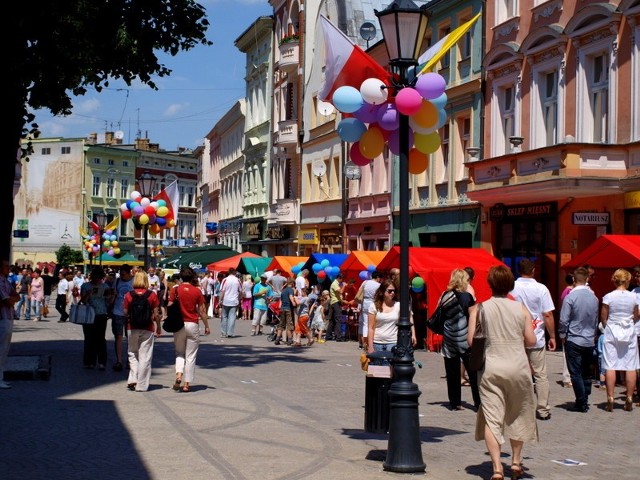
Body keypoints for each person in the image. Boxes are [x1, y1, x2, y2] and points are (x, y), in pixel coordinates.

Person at [467, 265, 537, 480]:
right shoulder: (521, 309)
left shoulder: (479, 309)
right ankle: (515, 462)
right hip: (518, 367)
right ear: (510, 285)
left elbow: (471, 341)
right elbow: (532, 340)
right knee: (519, 413)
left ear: (490, 284)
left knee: (492, 417)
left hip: (492, 367)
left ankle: (497, 467)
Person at [510, 258, 556, 421]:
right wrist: (552, 335)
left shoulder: (512, 288)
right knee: (540, 374)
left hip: (517, 335)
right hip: (537, 335)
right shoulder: (541, 288)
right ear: (533, 270)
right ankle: (542, 408)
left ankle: (520, 407)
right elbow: (548, 314)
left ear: (518, 270)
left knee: (517, 373)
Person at [438, 269, 480, 411]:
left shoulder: (445, 295)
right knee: (473, 372)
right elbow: (473, 317)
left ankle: (454, 402)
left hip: (449, 338)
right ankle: (478, 403)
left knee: (452, 372)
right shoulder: (466, 297)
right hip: (464, 338)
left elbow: (440, 313)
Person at [558, 267, 599, 412]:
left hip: (574, 338)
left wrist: (562, 335)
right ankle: (585, 398)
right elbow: (595, 318)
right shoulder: (594, 297)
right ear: (587, 279)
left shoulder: (571, 297)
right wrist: (594, 334)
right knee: (586, 371)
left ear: (574, 280)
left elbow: (564, 320)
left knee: (575, 372)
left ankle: (581, 402)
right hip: (589, 339)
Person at [600, 268, 640, 412]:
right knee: (630, 365)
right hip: (628, 331)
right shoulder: (633, 297)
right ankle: (629, 397)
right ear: (627, 280)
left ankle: (610, 397)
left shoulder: (608, 296)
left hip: (612, 330)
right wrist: (629, 321)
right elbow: (636, 315)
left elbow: (604, 316)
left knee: (610, 364)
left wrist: (607, 325)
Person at [168, 267, 210, 393]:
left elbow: (169, 305)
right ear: (192, 277)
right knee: (191, 355)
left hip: (179, 324)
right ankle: (187, 384)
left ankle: (179, 374)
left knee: (179, 352)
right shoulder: (197, 291)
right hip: (192, 323)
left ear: (181, 277)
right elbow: (202, 311)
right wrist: (207, 325)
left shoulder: (175, 290)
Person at [123, 271, 161, 392]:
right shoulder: (152, 295)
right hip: (147, 327)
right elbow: (156, 314)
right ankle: (142, 385)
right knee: (145, 356)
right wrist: (158, 326)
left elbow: (124, 312)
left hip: (132, 327)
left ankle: (133, 378)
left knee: (132, 353)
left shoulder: (129, 295)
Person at [367, 279, 416, 363]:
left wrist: (413, 334)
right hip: (377, 343)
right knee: (377, 373)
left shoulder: (398, 305)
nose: (392, 293)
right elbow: (370, 328)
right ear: (382, 291)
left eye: (394, 291)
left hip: (393, 343)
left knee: (392, 372)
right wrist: (370, 346)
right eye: (390, 291)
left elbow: (410, 316)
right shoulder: (374, 306)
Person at [79, 266, 112, 370]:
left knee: (100, 338)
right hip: (89, 314)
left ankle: (102, 362)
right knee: (89, 338)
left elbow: (108, 302)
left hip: (101, 314)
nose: (97, 280)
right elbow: (83, 301)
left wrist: (112, 296)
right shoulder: (85, 286)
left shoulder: (105, 286)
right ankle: (89, 361)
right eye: (95, 277)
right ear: (92, 277)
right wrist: (88, 295)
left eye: (99, 277)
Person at [110, 264, 134, 372]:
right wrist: (113, 295)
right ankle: (119, 361)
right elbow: (111, 296)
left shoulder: (134, 281)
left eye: (124, 274)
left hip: (130, 313)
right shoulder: (117, 281)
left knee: (130, 337)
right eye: (121, 274)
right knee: (118, 337)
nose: (122, 276)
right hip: (117, 311)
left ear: (129, 273)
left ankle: (130, 360)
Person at [0, 260, 19, 389]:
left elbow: (15, 296)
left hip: (8, 316)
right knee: (1, 349)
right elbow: (7, 301)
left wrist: (11, 299)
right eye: (6, 266)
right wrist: (11, 300)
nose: (8, 268)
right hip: (2, 318)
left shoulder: (5, 280)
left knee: (4, 350)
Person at [357, 271, 382, 350]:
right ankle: (370, 341)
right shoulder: (379, 285)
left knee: (365, 323)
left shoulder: (365, 282)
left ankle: (364, 341)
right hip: (373, 303)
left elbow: (360, 291)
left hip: (365, 302)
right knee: (373, 323)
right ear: (377, 277)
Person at [219, 268, 242, 338]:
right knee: (232, 317)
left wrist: (220, 300)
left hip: (226, 300)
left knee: (224, 317)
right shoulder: (238, 280)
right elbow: (241, 291)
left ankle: (223, 333)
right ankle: (230, 333)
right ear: (235, 273)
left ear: (228, 272)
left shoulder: (225, 280)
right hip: (234, 301)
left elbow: (222, 291)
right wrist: (239, 299)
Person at [274, 277, 296, 345]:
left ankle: (277, 339)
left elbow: (281, 301)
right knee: (289, 325)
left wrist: (280, 308)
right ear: (292, 283)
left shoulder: (283, 291)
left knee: (281, 325)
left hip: (282, 309)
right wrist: (293, 303)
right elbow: (291, 297)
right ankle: (290, 340)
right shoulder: (290, 290)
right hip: (288, 309)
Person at [327, 272, 346, 341]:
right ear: (339, 278)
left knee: (332, 320)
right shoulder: (335, 284)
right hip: (335, 302)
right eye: (342, 279)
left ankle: (328, 335)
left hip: (334, 302)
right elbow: (340, 292)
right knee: (338, 319)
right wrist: (344, 286)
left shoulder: (336, 284)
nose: (342, 281)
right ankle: (338, 337)